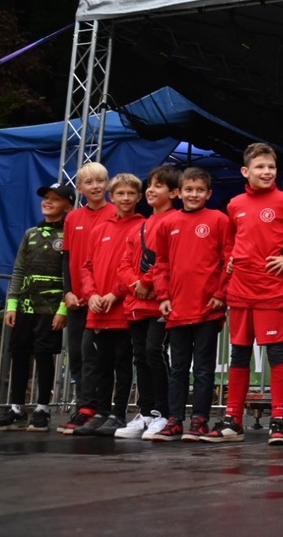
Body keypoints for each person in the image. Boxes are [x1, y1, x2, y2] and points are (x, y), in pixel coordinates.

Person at [201, 142, 283, 446]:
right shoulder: (234, 204)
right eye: (260, 167)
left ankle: (280, 420)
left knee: (276, 353)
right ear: (246, 171)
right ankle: (233, 421)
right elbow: (230, 240)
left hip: (271, 288)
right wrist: (231, 261)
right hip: (240, 290)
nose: (266, 172)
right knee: (239, 354)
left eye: (271, 167)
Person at [149, 167, 234, 441]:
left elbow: (228, 261)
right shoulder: (167, 223)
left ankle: (199, 420)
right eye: (189, 189)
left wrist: (221, 294)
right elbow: (160, 264)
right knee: (178, 367)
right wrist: (163, 296)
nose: (194, 194)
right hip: (176, 308)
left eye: (199, 190)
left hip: (208, 307)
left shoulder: (220, 220)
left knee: (204, 368)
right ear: (179, 192)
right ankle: (175, 420)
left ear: (209, 193)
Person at [0, 183, 75, 432]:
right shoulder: (30, 233)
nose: (48, 202)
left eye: (55, 199)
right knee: (19, 354)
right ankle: (16, 408)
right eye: (46, 198)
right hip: (25, 305)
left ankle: (42, 408)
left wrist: (62, 309)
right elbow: (18, 269)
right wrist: (12, 304)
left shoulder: (69, 235)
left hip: (51, 307)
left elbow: (71, 274)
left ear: (67, 206)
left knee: (44, 356)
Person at [72, 173, 146, 437]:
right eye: (120, 194)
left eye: (130, 194)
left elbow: (137, 269)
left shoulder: (143, 227)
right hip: (97, 309)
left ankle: (117, 413)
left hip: (124, 308)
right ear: (111, 197)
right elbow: (86, 266)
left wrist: (115, 294)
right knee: (101, 363)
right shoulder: (100, 228)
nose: (125, 198)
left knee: (122, 363)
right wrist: (91, 294)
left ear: (139, 197)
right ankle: (101, 412)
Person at [111, 165, 181, 440]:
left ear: (174, 192)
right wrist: (134, 285)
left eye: (159, 185)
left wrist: (148, 282)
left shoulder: (175, 221)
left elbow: (171, 259)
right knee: (140, 356)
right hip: (136, 303)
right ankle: (146, 409)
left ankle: (162, 413)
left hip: (161, 302)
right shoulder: (138, 227)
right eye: (150, 185)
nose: (151, 190)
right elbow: (124, 263)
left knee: (155, 352)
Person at [56, 161, 114, 434]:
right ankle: (84, 406)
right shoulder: (72, 218)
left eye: (100, 181)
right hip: (77, 299)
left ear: (108, 184)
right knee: (78, 355)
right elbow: (67, 258)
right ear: (79, 189)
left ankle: (99, 408)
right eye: (89, 182)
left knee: (101, 358)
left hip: (104, 300)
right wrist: (67, 291)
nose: (95, 186)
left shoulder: (116, 213)